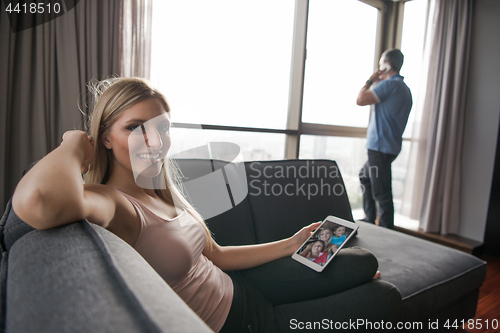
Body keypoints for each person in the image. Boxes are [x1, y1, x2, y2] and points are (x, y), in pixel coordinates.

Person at [12, 77, 378, 332]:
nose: (155, 140)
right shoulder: (111, 203)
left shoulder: (160, 190)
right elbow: (40, 202)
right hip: (241, 322)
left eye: (163, 127)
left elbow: (215, 255)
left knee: (363, 263)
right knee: (383, 298)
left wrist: (290, 243)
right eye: (135, 127)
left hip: (241, 285)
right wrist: (73, 145)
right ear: (105, 137)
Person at [356, 49, 413, 229]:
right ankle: (369, 218)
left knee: (382, 195)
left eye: (381, 65)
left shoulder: (390, 86)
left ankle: (387, 234)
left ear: (387, 66)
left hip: (379, 148)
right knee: (365, 176)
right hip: (389, 148)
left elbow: (360, 99)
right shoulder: (404, 89)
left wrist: (371, 81)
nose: (379, 68)